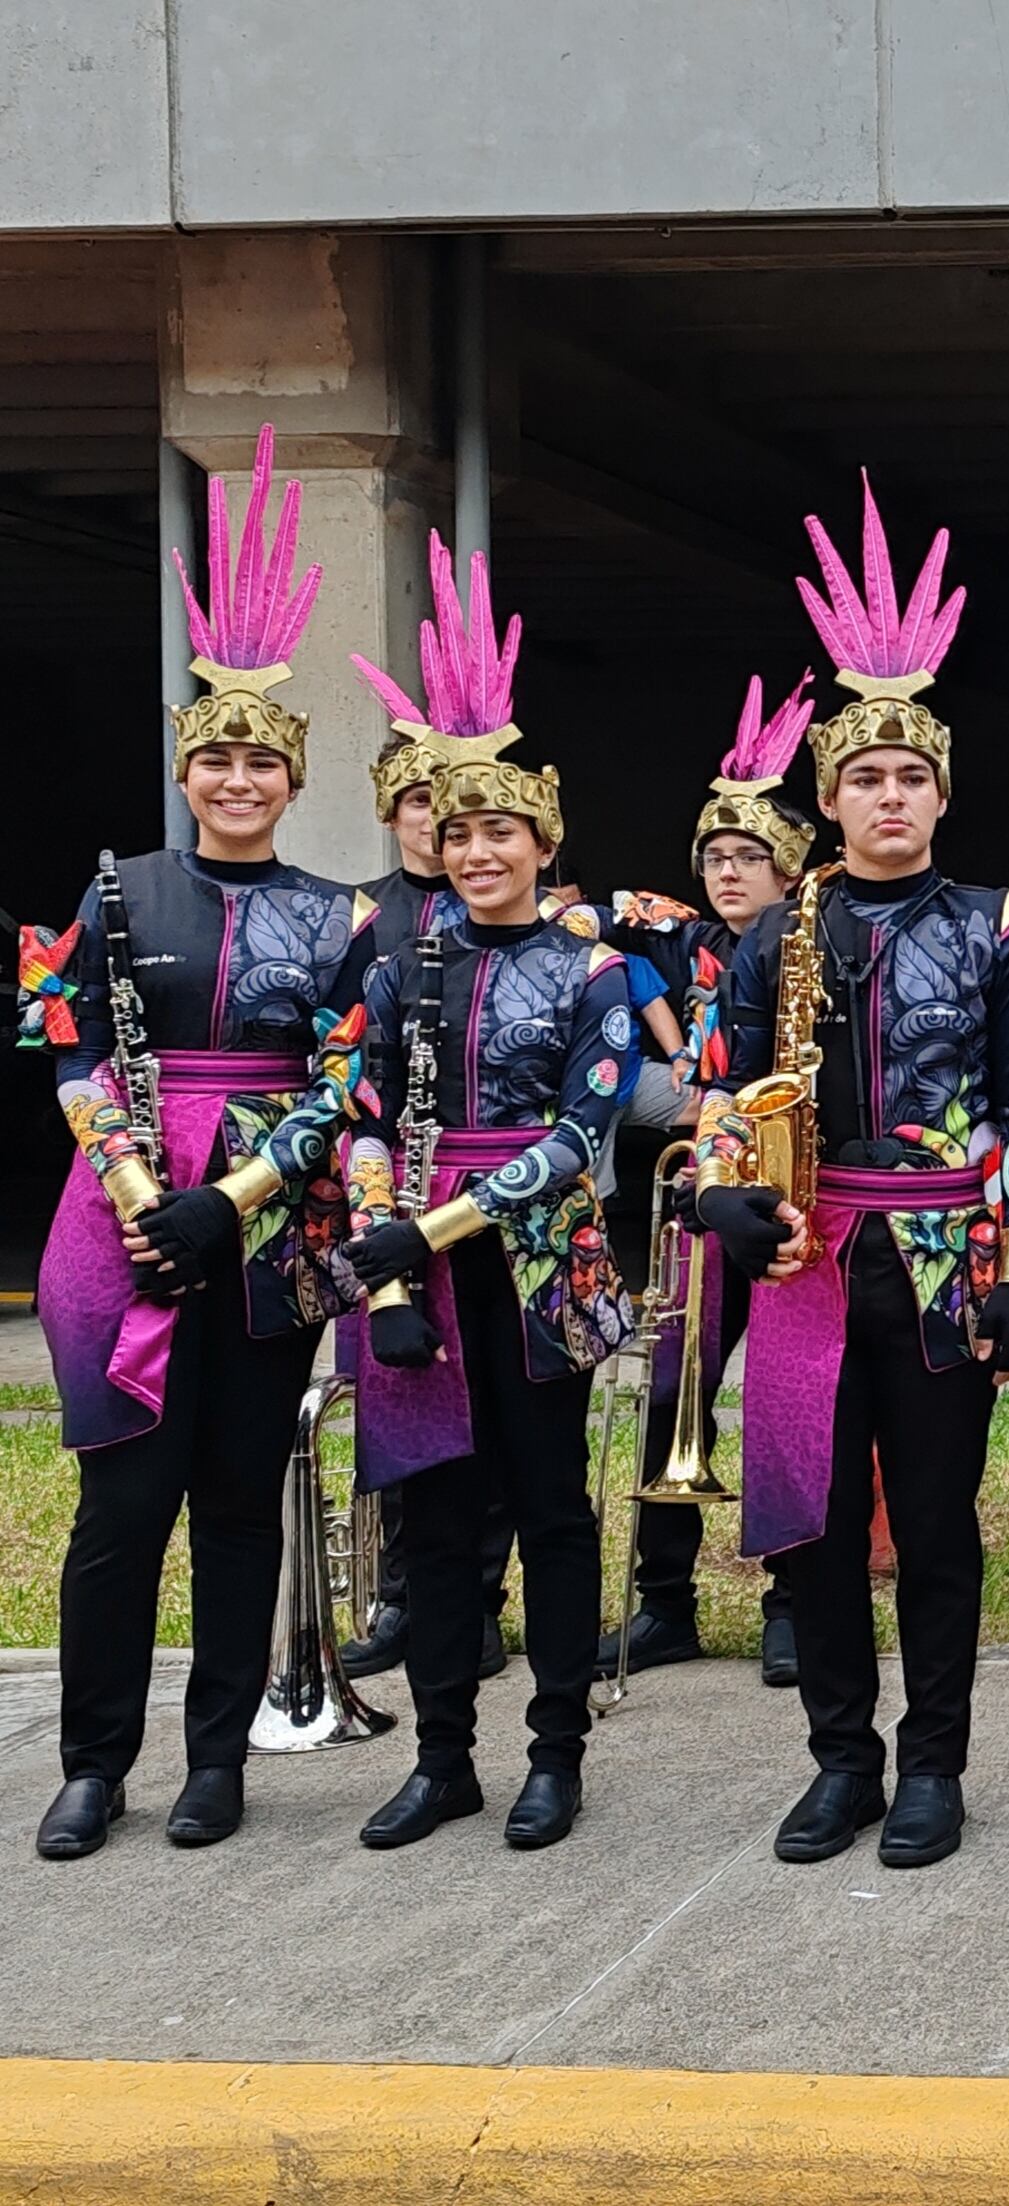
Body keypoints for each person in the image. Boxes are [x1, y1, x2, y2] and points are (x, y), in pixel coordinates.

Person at [695, 477, 1009, 1873]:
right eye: (863, 777)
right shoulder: (773, 933)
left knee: (939, 1517)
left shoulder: (999, 926)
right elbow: (726, 1088)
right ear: (829, 796)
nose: (888, 796)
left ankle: (934, 1763)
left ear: (941, 793)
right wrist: (726, 1184)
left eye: (911, 777)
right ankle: (840, 1757)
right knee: (813, 1517)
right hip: (802, 1256)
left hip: (946, 1258)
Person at [33, 428, 370, 1862]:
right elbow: (72, 1038)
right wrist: (134, 1187)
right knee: (122, 1510)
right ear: (188, 768)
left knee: (240, 1500)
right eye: (215, 756)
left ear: (290, 779)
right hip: (121, 1222)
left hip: (268, 1235)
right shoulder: (117, 893)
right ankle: (93, 1761)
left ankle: (216, 1756)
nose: (237, 778)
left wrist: (241, 1198)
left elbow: (345, 1071)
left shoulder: (337, 915)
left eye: (260, 760)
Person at [334, 554, 637, 1852]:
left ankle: (555, 1748)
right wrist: (391, 1277)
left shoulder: (597, 973)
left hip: (538, 1265)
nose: (476, 851)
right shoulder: (399, 969)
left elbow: (580, 1134)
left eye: (499, 831)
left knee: (554, 1506)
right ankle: (445, 1752)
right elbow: (352, 1113)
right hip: (420, 1273)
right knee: (436, 1521)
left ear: (542, 843)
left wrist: (435, 1227)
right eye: (456, 833)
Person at [601, 674, 820, 1686]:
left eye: (753, 855)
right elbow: (579, 916)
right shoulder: (678, 942)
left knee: (787, 1398)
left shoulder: (825, 937)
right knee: (670, 1387)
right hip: (704, 1196)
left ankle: (791, 1597)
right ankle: (665, 1600)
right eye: (717, 856)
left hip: (801, 1200)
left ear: (793, 864)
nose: (732, 871)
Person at [333, 640, 506, 1691]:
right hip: (388, 1192)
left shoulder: (523, 912)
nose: (438, 828)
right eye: (419, 806)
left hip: (487, 1191)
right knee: (396, 1389)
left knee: (490, 1406)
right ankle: (406, 1590)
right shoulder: (359, 918)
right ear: (395, 814)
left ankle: (479, 1599)